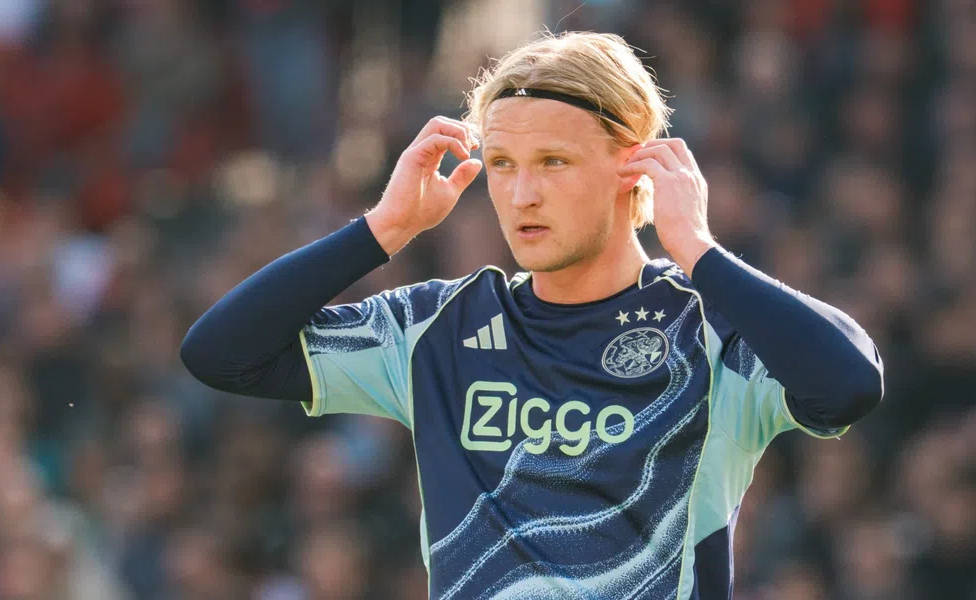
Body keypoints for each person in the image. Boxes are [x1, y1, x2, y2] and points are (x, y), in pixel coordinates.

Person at [180, 31, 884, 599]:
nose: (521, 195)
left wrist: (698, 249)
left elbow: (849, 383)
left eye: (553, 162)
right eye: (503, 164)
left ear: (633, 166)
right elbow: (222, 354)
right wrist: (381, 230)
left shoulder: (709, 332)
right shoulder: (437, 329)